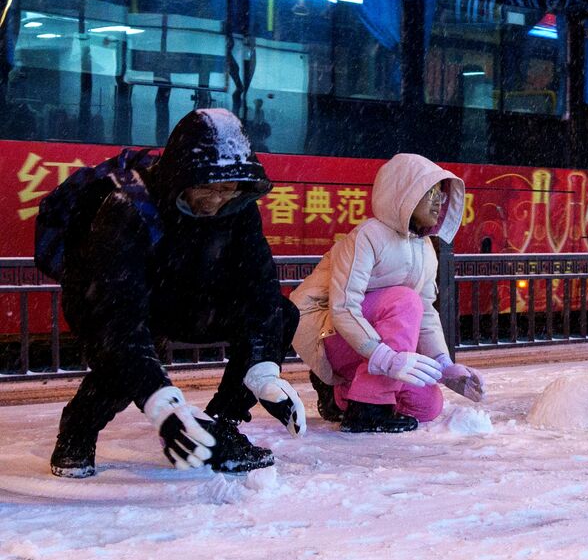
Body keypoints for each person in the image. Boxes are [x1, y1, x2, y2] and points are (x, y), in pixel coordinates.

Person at [49, 108, 306, 478]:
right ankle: (77, 429)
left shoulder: (239, 208)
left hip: (188, 299)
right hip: (116, 304)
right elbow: (117, 320)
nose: (216, 201)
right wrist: (163, 406)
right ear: (181, 176)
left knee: (281, 314)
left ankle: (221, 425)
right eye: (207, 188)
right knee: (126, 358)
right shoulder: (128, 208)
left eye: (227, 189)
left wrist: (263, 372)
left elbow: (260, 289)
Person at [291, 153, 485, 433]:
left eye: (439, 194)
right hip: (324, 330)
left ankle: (340, 396)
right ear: (403, 194)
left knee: (427, 404)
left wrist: (444, 366)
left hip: (368, 340)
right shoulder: (368, 236)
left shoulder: (426, 249)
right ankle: (368, 409)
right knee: (405, 301)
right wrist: (386, 358)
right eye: (427, 192)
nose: (437, 201)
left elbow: (427, 313)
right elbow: (344, 307)